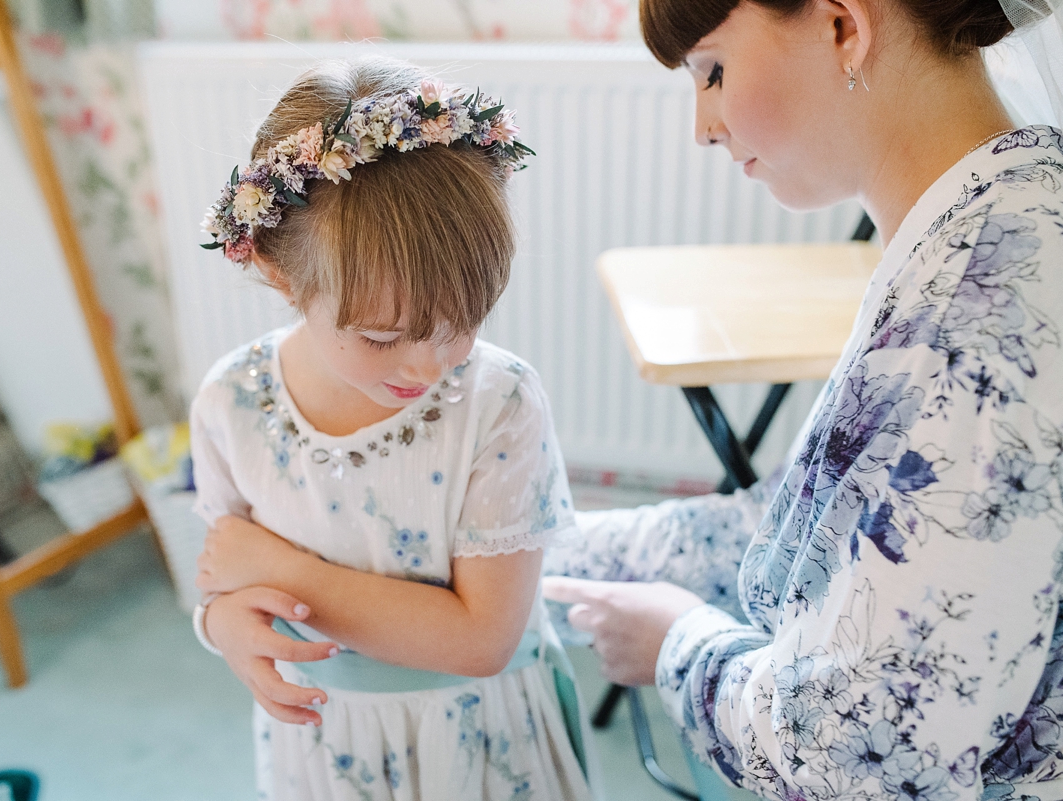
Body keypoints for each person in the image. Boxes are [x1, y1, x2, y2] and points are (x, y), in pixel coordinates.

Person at [541, 0, 1063, 798]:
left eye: (713, 70)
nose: (702, 128)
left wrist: (677, 645)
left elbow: (857, 761)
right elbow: (824, 523)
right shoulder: (977, 225)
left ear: (842, 27)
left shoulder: (991, 303)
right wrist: (543, 548)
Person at [188, 56, 592, 800]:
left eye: (464, 321)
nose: (431, 361)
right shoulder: (231, 405)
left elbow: (481, 640)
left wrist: (291, 572)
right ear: (284, 278)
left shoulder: (499, 403)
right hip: (326, 742)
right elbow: (226, 577)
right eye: (382, 336)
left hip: (477, 740)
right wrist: (222, 631)